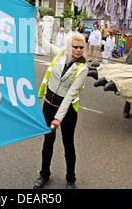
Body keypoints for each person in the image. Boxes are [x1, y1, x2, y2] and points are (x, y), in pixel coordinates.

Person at [34, 29, 88, 189]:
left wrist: (59, 117)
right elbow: (43, 43)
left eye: (81, 47)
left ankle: (71, 179)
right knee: (48, 142)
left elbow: (71, 95)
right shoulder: (59, 54)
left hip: (67, 112)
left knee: (68, 144)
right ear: (68, 46)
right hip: (48, 107)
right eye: (75, 47)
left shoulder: (82, 69)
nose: (79, 50)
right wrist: (37, 25)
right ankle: (44, 174)